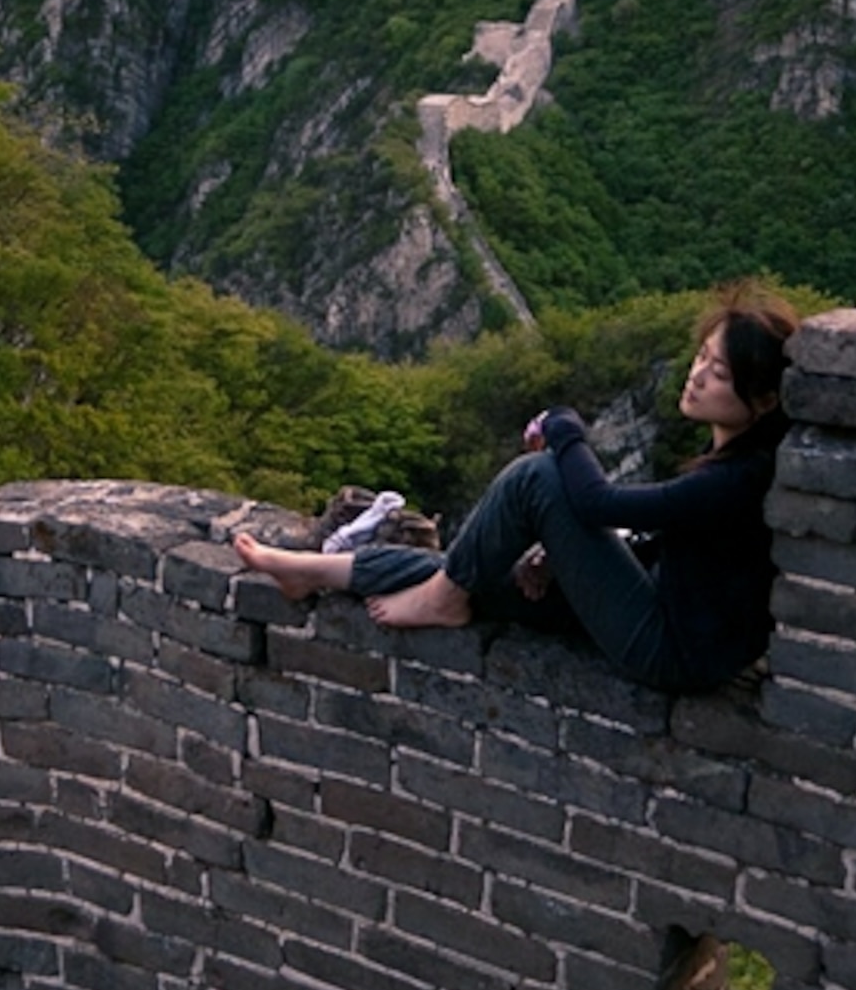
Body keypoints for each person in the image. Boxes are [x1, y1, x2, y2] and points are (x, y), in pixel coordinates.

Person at [234, 285, 798, 693]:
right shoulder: (737, 465)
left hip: (668, 652)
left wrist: (565, 429)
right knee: (475, 570)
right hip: (661, 610)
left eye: (718, 373)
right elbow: (670, 540)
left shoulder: (737, 481)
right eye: (701, 357)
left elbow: (599, 503)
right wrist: (565, 560)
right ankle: (311, 571)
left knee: (539, 477)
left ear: (764, 398)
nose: (696, 375)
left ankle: (439, 598)